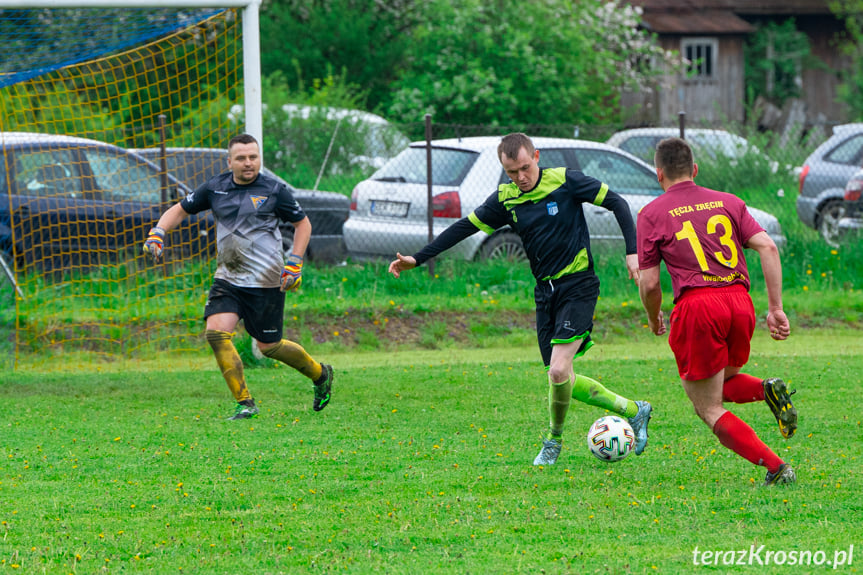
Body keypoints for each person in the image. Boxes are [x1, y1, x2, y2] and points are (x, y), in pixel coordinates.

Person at [388, 132, 652, 465]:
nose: (520, 177)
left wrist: (632, 253)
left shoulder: (565, 181)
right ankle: (635, 410)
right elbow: (464, 227)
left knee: (557, 371)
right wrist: (417, 258)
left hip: (579, 285)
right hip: (545, 293)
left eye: (525, 168)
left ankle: (553, 442)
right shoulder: (506, 199)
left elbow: (617, 202)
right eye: (512, 172)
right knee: (561, 376)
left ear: (536, 156)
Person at [637, 137, 797, 487]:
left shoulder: (651, 213)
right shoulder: (729, 202)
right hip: (740, 302)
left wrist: (653, 316)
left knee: (707, 406)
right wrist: (775, 309)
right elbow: (768, 247)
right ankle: (767, 389)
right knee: (719, 384)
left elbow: (649, 284)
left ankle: (776, 467)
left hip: (699, 305)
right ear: (694, 170)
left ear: (658, 174)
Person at [143, 133, 334, 420]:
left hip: (266, 281)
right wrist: (158, 232)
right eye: (242, 158)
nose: (248, 163)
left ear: (259, 159)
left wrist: (294, 263)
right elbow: (179, 210)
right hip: (228, 279)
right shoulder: (215, 188)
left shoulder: (274, 190)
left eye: (253, 157)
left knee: (270, 347)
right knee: (216, 333)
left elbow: (302, 224)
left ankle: (320, 375)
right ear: (229, 161)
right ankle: (245, 402)